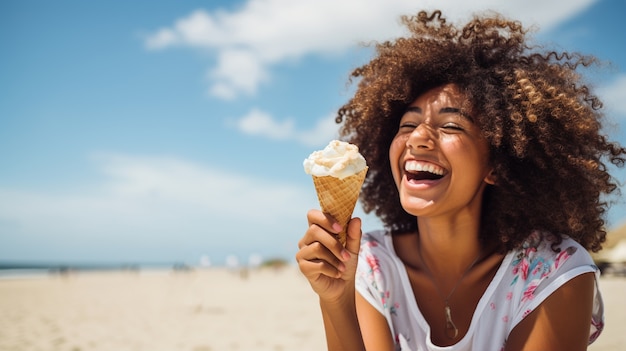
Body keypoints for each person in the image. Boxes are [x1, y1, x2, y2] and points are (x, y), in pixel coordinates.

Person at [295, 10, 626, 351]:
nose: (417, 138)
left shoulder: (554, 271)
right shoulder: (371, 263)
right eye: (407, 125)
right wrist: (335, 301)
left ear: (497, 165)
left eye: (451, 126)